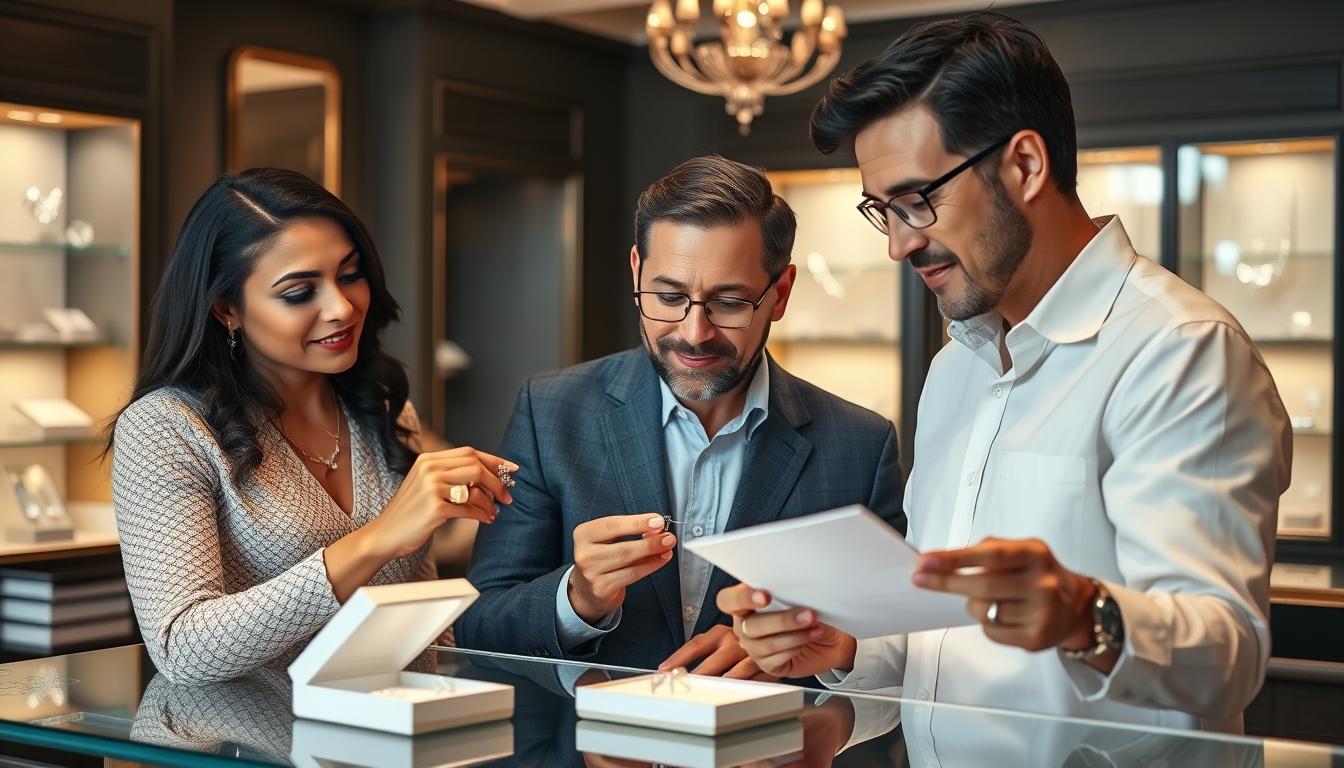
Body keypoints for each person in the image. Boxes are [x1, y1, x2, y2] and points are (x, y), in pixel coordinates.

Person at [719, 13, 1291, 731]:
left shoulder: (1182, 352)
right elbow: (938, 642)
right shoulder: (954, 367)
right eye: (882, 211)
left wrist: (1086, 613)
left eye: (917, 200)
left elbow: (1227, 659)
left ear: (1024, 164)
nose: (899, 244)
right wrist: (844, 646)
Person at [456, 156, 905, 675]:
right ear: (636, 272)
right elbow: (478, 626)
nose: (694, 333)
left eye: (730, 302)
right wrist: (577, 599)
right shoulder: (551, 411)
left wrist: (804, 646)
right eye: (668, 297)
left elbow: (893, 646)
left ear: (779, 294)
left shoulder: (860, 445)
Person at [109, 168, 516, 684]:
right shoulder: (166, 428)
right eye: (300, 292)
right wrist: (379, 538)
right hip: (235, 746)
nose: (342, 307)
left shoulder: (383, 409)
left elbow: (418, 632)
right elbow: (181, 648)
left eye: (350, 274)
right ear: (226, 308)